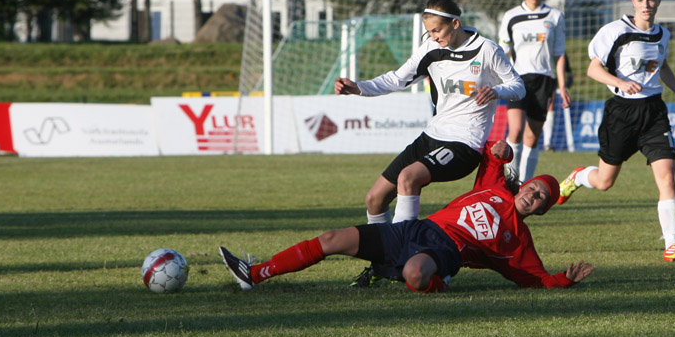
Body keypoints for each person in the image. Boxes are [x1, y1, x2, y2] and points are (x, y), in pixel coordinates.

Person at [219, 140, 595, 292]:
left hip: (445, 250)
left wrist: (565, 280)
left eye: (540, 198)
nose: (532, 195)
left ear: (542, 209)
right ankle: (253, 274)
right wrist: (503, 150)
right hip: (415, 229)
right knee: (332, 239)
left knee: (416, 274)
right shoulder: (495, 188)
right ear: (525, 185)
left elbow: (535, 278)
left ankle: (437, 284)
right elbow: (492, 156)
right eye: (533, 188)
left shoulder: (517, 242)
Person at [334, 0, 525, 285]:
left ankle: (401, 258)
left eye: (437, 31)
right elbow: (397, 79)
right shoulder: (431, 48)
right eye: (430, 32)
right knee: (375, 199)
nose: (433, 37)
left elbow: (519, 87)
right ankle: (382, 267)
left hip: (465, 144)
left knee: (408, 178)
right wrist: (358, 87)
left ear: (455, 24)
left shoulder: (486, 50)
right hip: (432, 136)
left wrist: (496, 90)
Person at [557, 0, 675, 262]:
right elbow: (592, 70)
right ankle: (579, 176)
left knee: (667, 176)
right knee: (605, 181)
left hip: (654, 112)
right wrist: (621, 83)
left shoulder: (663, 34)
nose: (647, 4)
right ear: (632, 1)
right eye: (642, 0)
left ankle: (671, 244)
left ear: (659, 1)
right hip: (621, 112)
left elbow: (662, 66)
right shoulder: (615, 31)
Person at [498, 0, 571, 180]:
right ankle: (511, 181)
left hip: (544, 80)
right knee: (517, 131)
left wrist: (562, 86)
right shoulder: (511, 16)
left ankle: (523, 184)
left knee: (532, 136)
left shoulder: (555, 16)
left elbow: (559, 55)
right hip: (518, 79)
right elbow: (504, 51)